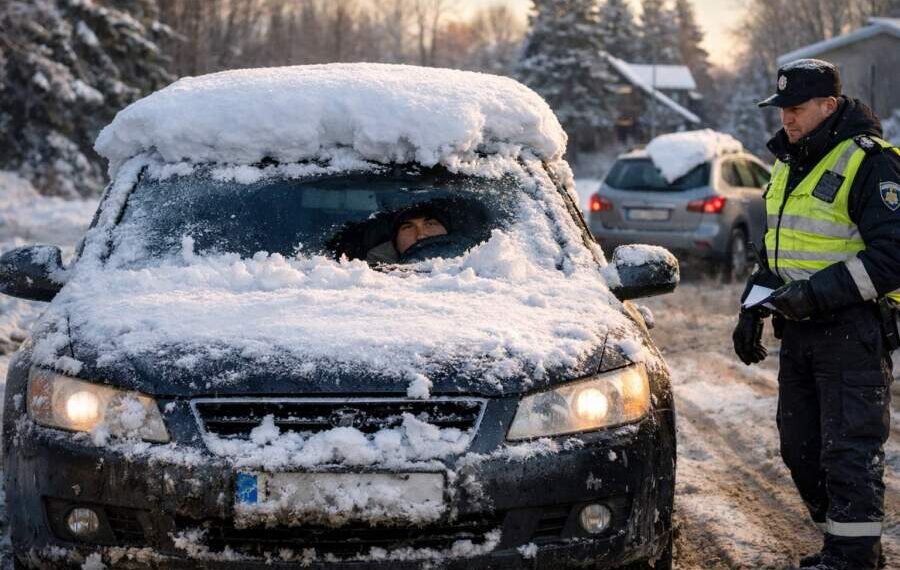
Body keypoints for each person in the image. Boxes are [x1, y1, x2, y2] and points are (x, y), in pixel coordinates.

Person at [733, 59, 900, 570]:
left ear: (829, 105)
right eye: (782, 108)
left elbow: (892, 257)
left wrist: (813, 296)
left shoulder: (871, 162)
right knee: (799, 448)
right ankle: (841, 544)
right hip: (801, 333)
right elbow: (779, 252)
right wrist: (750, 309)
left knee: (848, 451)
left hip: (854, 332)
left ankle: (852, 558)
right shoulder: (790, 161)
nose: (787, 118)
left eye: (797, 108)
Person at [365, 205, 449, 264]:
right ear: (395, 243)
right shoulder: (376, 274)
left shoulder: (461, 269)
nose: (421, 235)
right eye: (409, 227)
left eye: (430, 224)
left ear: (447, 230)